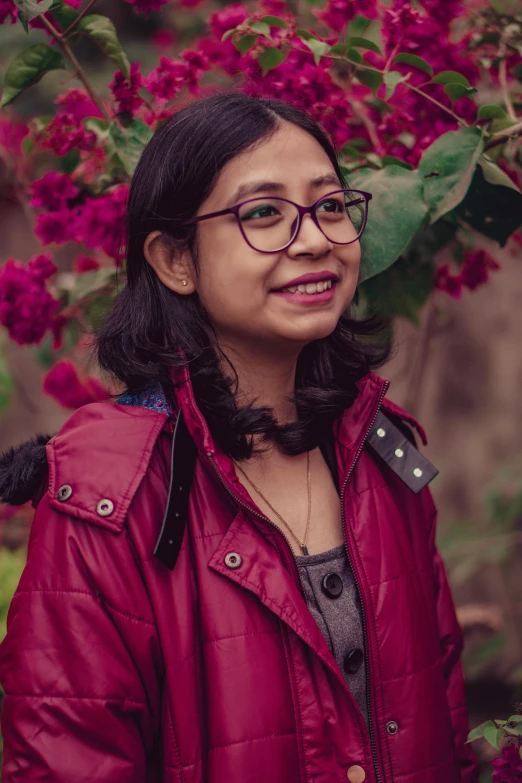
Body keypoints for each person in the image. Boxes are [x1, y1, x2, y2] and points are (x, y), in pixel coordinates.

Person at [0, 92, 478, 783]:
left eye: (331, 206)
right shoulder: (110, 505)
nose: (314, 239)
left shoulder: (380, 454)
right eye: (263, 213)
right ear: (175, 260)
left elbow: (447, 727)